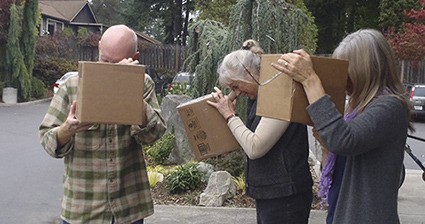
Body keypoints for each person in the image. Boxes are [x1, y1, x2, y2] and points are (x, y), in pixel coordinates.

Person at [272, 29, 413, 224]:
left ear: (366, 69)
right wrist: (325, 145)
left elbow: (344, 141)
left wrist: (310, 80)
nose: (343, 79)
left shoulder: (390, 107)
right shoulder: (354, 110)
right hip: (341, 212)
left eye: (347, 71)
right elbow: (336, 161)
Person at [39, 25, 166, 224]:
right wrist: (67, 130)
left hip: (129, 208)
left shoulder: (144, 83)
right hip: (83, 210)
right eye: (104, 60)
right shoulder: (72, 86)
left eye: (115, 64)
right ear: (99, 47)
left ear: (134, 57)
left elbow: (154, 134)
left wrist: (130, 88)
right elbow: (47, 140)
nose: (108, 68)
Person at [207, 41, 313, 224]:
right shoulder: (261, 92)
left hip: (285, 195)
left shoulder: (280, 93)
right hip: (273, 193)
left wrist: (230, 116)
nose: (237, 93)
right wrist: (229, 107)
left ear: (250, 73)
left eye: (237, 86)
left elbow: (255, 147)